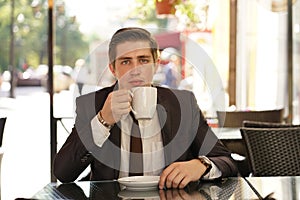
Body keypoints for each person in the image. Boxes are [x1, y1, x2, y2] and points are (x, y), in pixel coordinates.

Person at [53, 27, 238, 189]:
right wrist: (103, 120)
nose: (136, 70)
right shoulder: (92, 104)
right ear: (113, 69)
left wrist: (200, 165)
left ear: (156, 64)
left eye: (143, 60)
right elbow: (63, 172)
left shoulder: (183, 103)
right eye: (126, 61)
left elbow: (226, 161)